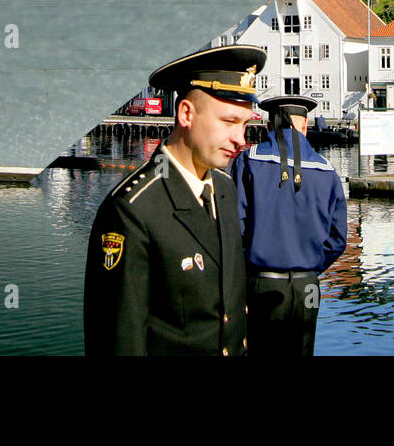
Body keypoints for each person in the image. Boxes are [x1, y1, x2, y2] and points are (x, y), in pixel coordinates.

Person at [84, 46, 265, 356]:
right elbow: (119, 339)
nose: (241, 139)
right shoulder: (132, 210)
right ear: (186, 114)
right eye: (229, 121)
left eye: (245, 124)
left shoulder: (224, 188)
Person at [230, 94, 346, 356]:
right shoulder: (327, 171)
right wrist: (312, 263)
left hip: (263, 283)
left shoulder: (248, 161)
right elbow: (337, 239)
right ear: (305, 126)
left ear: (270, 127)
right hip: (308, 285)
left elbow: (234, 228)